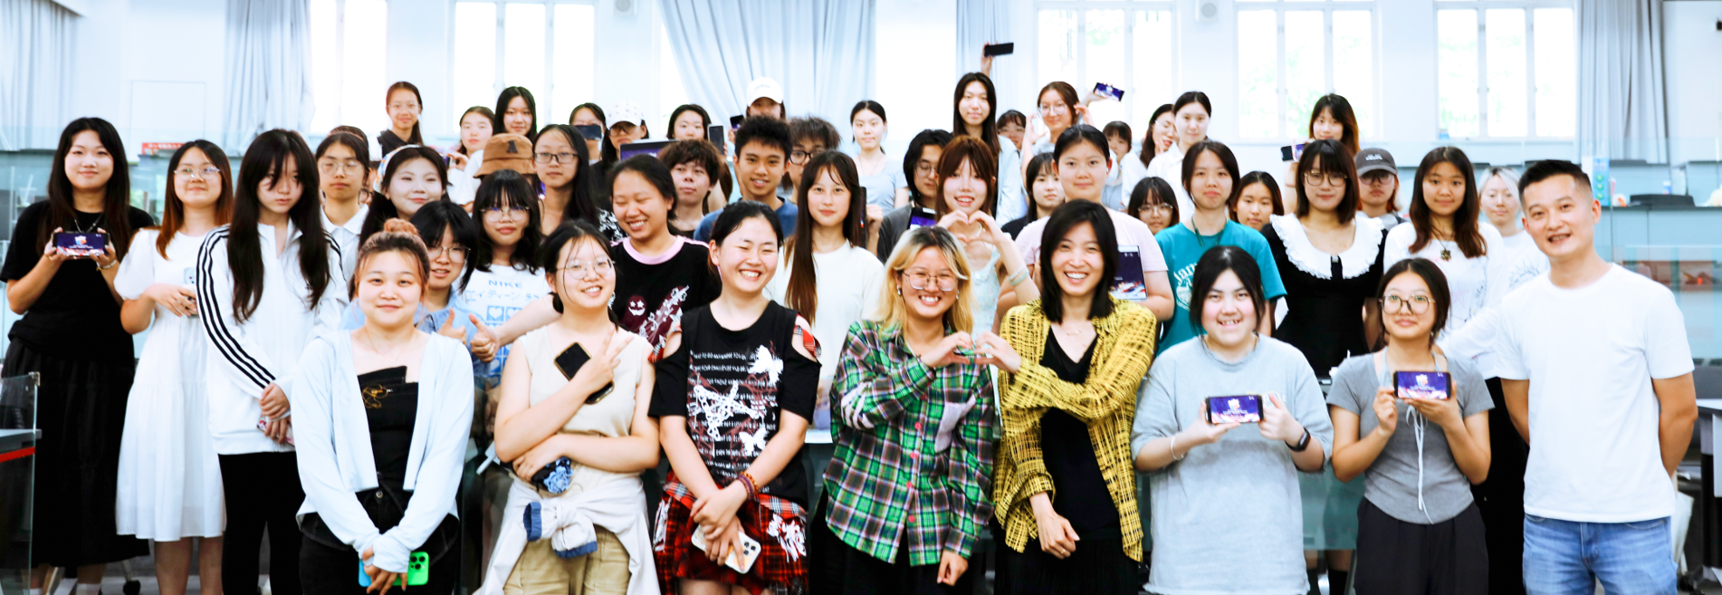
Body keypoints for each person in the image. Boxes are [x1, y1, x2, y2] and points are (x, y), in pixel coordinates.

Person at [1499, 159, 1696, 594]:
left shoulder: (1648, 301)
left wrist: (1643, 473)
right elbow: (1520, 410)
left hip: (1634, 519)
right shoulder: (1514, 310)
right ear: (1526, 225)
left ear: (1593, 210)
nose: (1553, 222)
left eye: (1565, 207)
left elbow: (1681, 411)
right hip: (1549, 518)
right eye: (1538, 213)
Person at [5, 117, 153, 595]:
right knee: (34, 476)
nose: (89, 161)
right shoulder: (37, 217)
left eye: (101, 152)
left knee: (98, 474)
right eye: (78, 151)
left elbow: (137, 309)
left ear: (116, 162)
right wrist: (50, 260)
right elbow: (16, 300)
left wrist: (110, 264)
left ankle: (90, 587)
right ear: (63, 159)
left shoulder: (137, 224)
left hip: (104, 365)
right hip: (37, 363)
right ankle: (33, 587)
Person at [1131, 245, 1332, 595]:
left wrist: (1293, 433)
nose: (1229, 309)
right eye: (1215, 296)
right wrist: (1189, 438)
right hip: (1187, 571)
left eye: (1241, 295)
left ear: (1259, 301)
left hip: (1272, 570)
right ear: (1197, 303)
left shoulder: (1290, 362)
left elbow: (1318, 460)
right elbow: (1142, 456)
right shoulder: (1171, 364)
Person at [196, 129, 346, 595]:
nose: (286, 188)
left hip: (304, 420)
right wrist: (273, 394)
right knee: (242, 536)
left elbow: (331, 332)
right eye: (274, 177)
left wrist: (293, 393)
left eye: (297, 178)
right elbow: (221, 331)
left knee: (293, 539)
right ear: (252, 178)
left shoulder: (325, 247)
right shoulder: (219, 245)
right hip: (242, 419)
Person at [811, 225, 996, 594]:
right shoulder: (866, 339)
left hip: (930, 538)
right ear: (898, 279)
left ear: (959, 286)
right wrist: (927, 364)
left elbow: (974, 465)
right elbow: (855, 411)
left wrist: (961, 543)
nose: (932, 286)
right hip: (856, 524)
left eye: (944, 277)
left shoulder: (970, 366)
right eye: (920, 274)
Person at [650, 201, 819, 594]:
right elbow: (671, 432)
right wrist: (717, 504)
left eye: (767, 248)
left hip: (769, 499)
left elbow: (792, 433)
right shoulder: (683, 331)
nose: (754, 259)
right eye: (743, 246)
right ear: (715, 251)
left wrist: (736, 495)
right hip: (697, 500)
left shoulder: (795, 332)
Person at [483, 221, 661, 594]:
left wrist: (560, 443)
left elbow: (646, 450)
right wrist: (584, 384)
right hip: (539, 518)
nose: (591, 275)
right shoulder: (529, 347)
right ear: (551, 280)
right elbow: (508, 443)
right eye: (576, 266)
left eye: (601, 263)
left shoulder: (638, 351)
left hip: (613, 519)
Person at [289, 230, 470, 594]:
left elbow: (445, 460)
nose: (389, 292)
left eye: (404, 282)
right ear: (357, 286)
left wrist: (401, 543)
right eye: (376, 280)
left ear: (423, 288)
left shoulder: (450, 357)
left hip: (424, 541)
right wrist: (367, 541)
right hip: (334, 539)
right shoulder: (322, 355)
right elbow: (315, 460)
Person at [990, 201, 1157, 595]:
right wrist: (1043, 511)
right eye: (1064, 247)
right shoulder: (1020, 320)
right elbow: (1017, 426)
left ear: (1109, 258)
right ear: (1046, 256)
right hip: (1030, 521)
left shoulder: (1135, 321)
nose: (1076, 260)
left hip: (1107, 520)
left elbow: (1098, 401)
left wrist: (1021, 368)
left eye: (1091, 249)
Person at [1256, 139, 1385, 594]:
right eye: (1314, 175)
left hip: (1355, 373)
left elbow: (1374, 310)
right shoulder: (1278, 233)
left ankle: (1345, 585)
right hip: (1294, 370)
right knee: (1302, 481)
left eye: (1335, 175)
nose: (1324, 184)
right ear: (1301, 179)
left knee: (1347, 482)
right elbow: (1266, 309)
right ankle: (1306, 583)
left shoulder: (1373, 234)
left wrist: (1365, 358)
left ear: (1349, 181)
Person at [1328, 257, 1493, 594]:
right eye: (1393, 298)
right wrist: (1381, 432)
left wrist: (1451, 422)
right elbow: (1342, 467)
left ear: (1439, 308)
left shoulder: (1465, 374)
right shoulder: (1353, 373)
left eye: (1419, 299)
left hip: (1458, 523)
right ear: (1380, 307)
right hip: (1385, 521)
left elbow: (1479, 471)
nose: (1405, 308)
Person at [114, 140, 230, 595]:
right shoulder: (149, 242)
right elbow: (130, 322)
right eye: (186, 169)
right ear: (172, 181)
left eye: (208, 169)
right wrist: (152, 293)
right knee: (171, 504)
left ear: (224, 179)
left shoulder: (241, 240)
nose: (196, 177)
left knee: (219, 504)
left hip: (223, 378)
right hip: (166, 379)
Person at [765, 151, 883, 431]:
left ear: (853, 197)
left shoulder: (868, 267)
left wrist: (830, 383)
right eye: (818, 189)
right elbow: (764, 335)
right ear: (804, 195)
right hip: (782, 407)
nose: (827, 200)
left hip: (848, 412)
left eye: (837, 190)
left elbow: (874, 348)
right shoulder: (778, 260)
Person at [1014, 125, 1175, 322]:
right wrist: (1037, 287)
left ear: (1108, 166)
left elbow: (1165, 303)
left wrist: (1105, 310)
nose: (1082, 173)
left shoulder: (1136, 230)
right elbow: (1004, 302)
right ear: (1056, 168)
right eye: (1071, 163)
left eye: (1092, 162)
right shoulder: (1034, 233)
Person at [1155, 139, 1286, 352]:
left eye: (1221, 174)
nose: (1211, 182)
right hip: (1176, 362)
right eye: (1201, 174)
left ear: (1234, 182)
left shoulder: (1255, 243)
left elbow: (1264, 316)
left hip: (1239, 363)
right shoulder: (1164, 243)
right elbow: (1153, 319)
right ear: (1186, 183)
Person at [337, 204, 489, 362]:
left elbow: (475, 377)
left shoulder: (470, 322)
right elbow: (345, 366)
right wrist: (438, 349)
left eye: (456, 249)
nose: (443, 259)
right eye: (432, 246)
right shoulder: (370, 307)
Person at [609, 155, 723, 355]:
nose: (631, 211)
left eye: (642, 200)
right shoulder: (604, 258)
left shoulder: (701, 258)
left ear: (669, 200)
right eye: (621, 202)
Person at [1383, 147, 1502, 336]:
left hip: (1476, 350)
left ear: (1468, 187)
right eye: (1435, 181)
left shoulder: (1488, 237)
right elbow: (1394, 305)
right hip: (1416, 348)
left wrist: (1448, 348)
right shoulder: (1401, 237)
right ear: (1421, 184)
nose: (1445, 191)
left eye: (1455, 182)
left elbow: (1495, 308)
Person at [465, 170, 552, 416]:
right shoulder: (461, 269)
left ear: (531, 214)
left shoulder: (547, 272)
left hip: (528, 400)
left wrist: (509, 389)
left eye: (516, 208)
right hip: (464, 398)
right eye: (494, 208)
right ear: (479, 214)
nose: (506, 218)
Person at [933, 136, 1037, 335]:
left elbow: (1034, 312)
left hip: (989, 353)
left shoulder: (1002, 245)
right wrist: (933, 240)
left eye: (977, 176)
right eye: (955, 175)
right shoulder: (919, 240)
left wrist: (1003, 243)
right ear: (939, 181)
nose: (966, 186)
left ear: (991, 183)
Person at [694, 117, 798, 241]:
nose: (761, 171)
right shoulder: (711, 225)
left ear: (786, 166)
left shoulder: (802, 221)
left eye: (772, 162)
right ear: (737, 162)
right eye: (752, 160)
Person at [954, 72, 1025, 222]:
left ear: (991, 105)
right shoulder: (946, 144)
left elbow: (1010, 204)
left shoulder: (1005, 148)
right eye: (968, 97)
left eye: (983, 98)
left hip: (993, 232)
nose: (975, 105)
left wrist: (994, 234)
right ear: (957, 102)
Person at [872, 129, 952, 258]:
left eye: (940, 168)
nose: (932, 175)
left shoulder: (962, 219)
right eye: (924, 167)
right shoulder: (893, 221)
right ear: (911, 168)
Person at [535, 124, 618, 241]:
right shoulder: (524, 216)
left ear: (580, 161)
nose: (553, 163)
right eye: (544, 154)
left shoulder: (605, 221)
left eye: (564, 154)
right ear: (533, 163)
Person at [1284, 95, 1361, 212]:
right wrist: (1294, 170)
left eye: (1334, 122)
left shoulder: (1357, 161)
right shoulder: (1300, 159)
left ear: (1345, 127)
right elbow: (1290, 211)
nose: (1326, 129)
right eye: (1321, 121)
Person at [359, 145, 449, 244]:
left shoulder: (457, 234)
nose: (419, 189)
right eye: (407, 178)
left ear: (443, 188)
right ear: (385, 189)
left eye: (430, 179)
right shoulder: (374, 243)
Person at [1144, 92, 1212, 222]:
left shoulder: (1220, 162)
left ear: (1209, 120)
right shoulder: (1159, 164)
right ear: (1175, 119)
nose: (1193, 126)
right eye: (1186, 118)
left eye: (1200, 119)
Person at [317, 132, 372, 282]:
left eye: (350, 165)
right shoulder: (301, 230)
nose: (339, 173)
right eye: (329, 165)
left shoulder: (381, 230)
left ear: (366, 176)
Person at [660, 139, 728, 237]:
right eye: (680, 169)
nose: (688, 177)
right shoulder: (655, 228)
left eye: (698, 171)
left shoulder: (718, 231)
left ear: (712, 184)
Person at [848, 101, 908, 212]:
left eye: (874, 124)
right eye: (860, 125)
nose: (867, 131)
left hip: (888, 224)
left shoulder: (897, 168)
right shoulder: (845, 166)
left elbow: (901, 215)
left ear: (884, 126)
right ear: (853, 128)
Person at [1119, 104, 1176, 197]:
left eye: (1176, 129)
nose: (1170, 134)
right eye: (1165, 126)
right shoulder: (1133, 160)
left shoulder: (1182, 162)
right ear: (1152, 126)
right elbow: (1130, 199)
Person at [1003, 153, 1063, 239]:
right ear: (1030, 189)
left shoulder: (1076, 228)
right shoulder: (1011, 231)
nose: (1050, 187)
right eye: (1041, 180)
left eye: (1056, 179)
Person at [1022, 82, 1086, 159]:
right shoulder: (1037, 147)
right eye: (1045, 107)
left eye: (1059, 105)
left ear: (1076, 108)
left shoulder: (1083, 144)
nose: (1051, 114)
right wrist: (1027, 141)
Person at [448, 106, 496, 207]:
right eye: (467, 127)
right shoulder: (451, 168)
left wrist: (470, 169)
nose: (473, 133)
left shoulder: (501, 166)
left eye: (481, 127)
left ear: (494, 131)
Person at [788, 116, 841, 204]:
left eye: (817, 154)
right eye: (798, 153)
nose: (807, 162)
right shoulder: (773, 211)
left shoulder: (842, 209)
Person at [1355, 148, 1406, 228]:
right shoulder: (1341, 228)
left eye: (1383, 176)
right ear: (1354, 183)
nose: (1376, 183)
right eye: (1367, 176)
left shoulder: (1408, 231)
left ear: (1396, 182)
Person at [379, 81, 425, 156]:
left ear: (419, 109)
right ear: (387, 110)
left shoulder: (423, 151)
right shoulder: (376, 147)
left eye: (411, 105)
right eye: (397, 106)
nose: (404, 112)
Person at [1101, 121, 1132, 211]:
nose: (1113, 146)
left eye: (1121, 142)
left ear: (1129, 148)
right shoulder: (1092, 173)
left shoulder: (1130, 178)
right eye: (1109, 139)